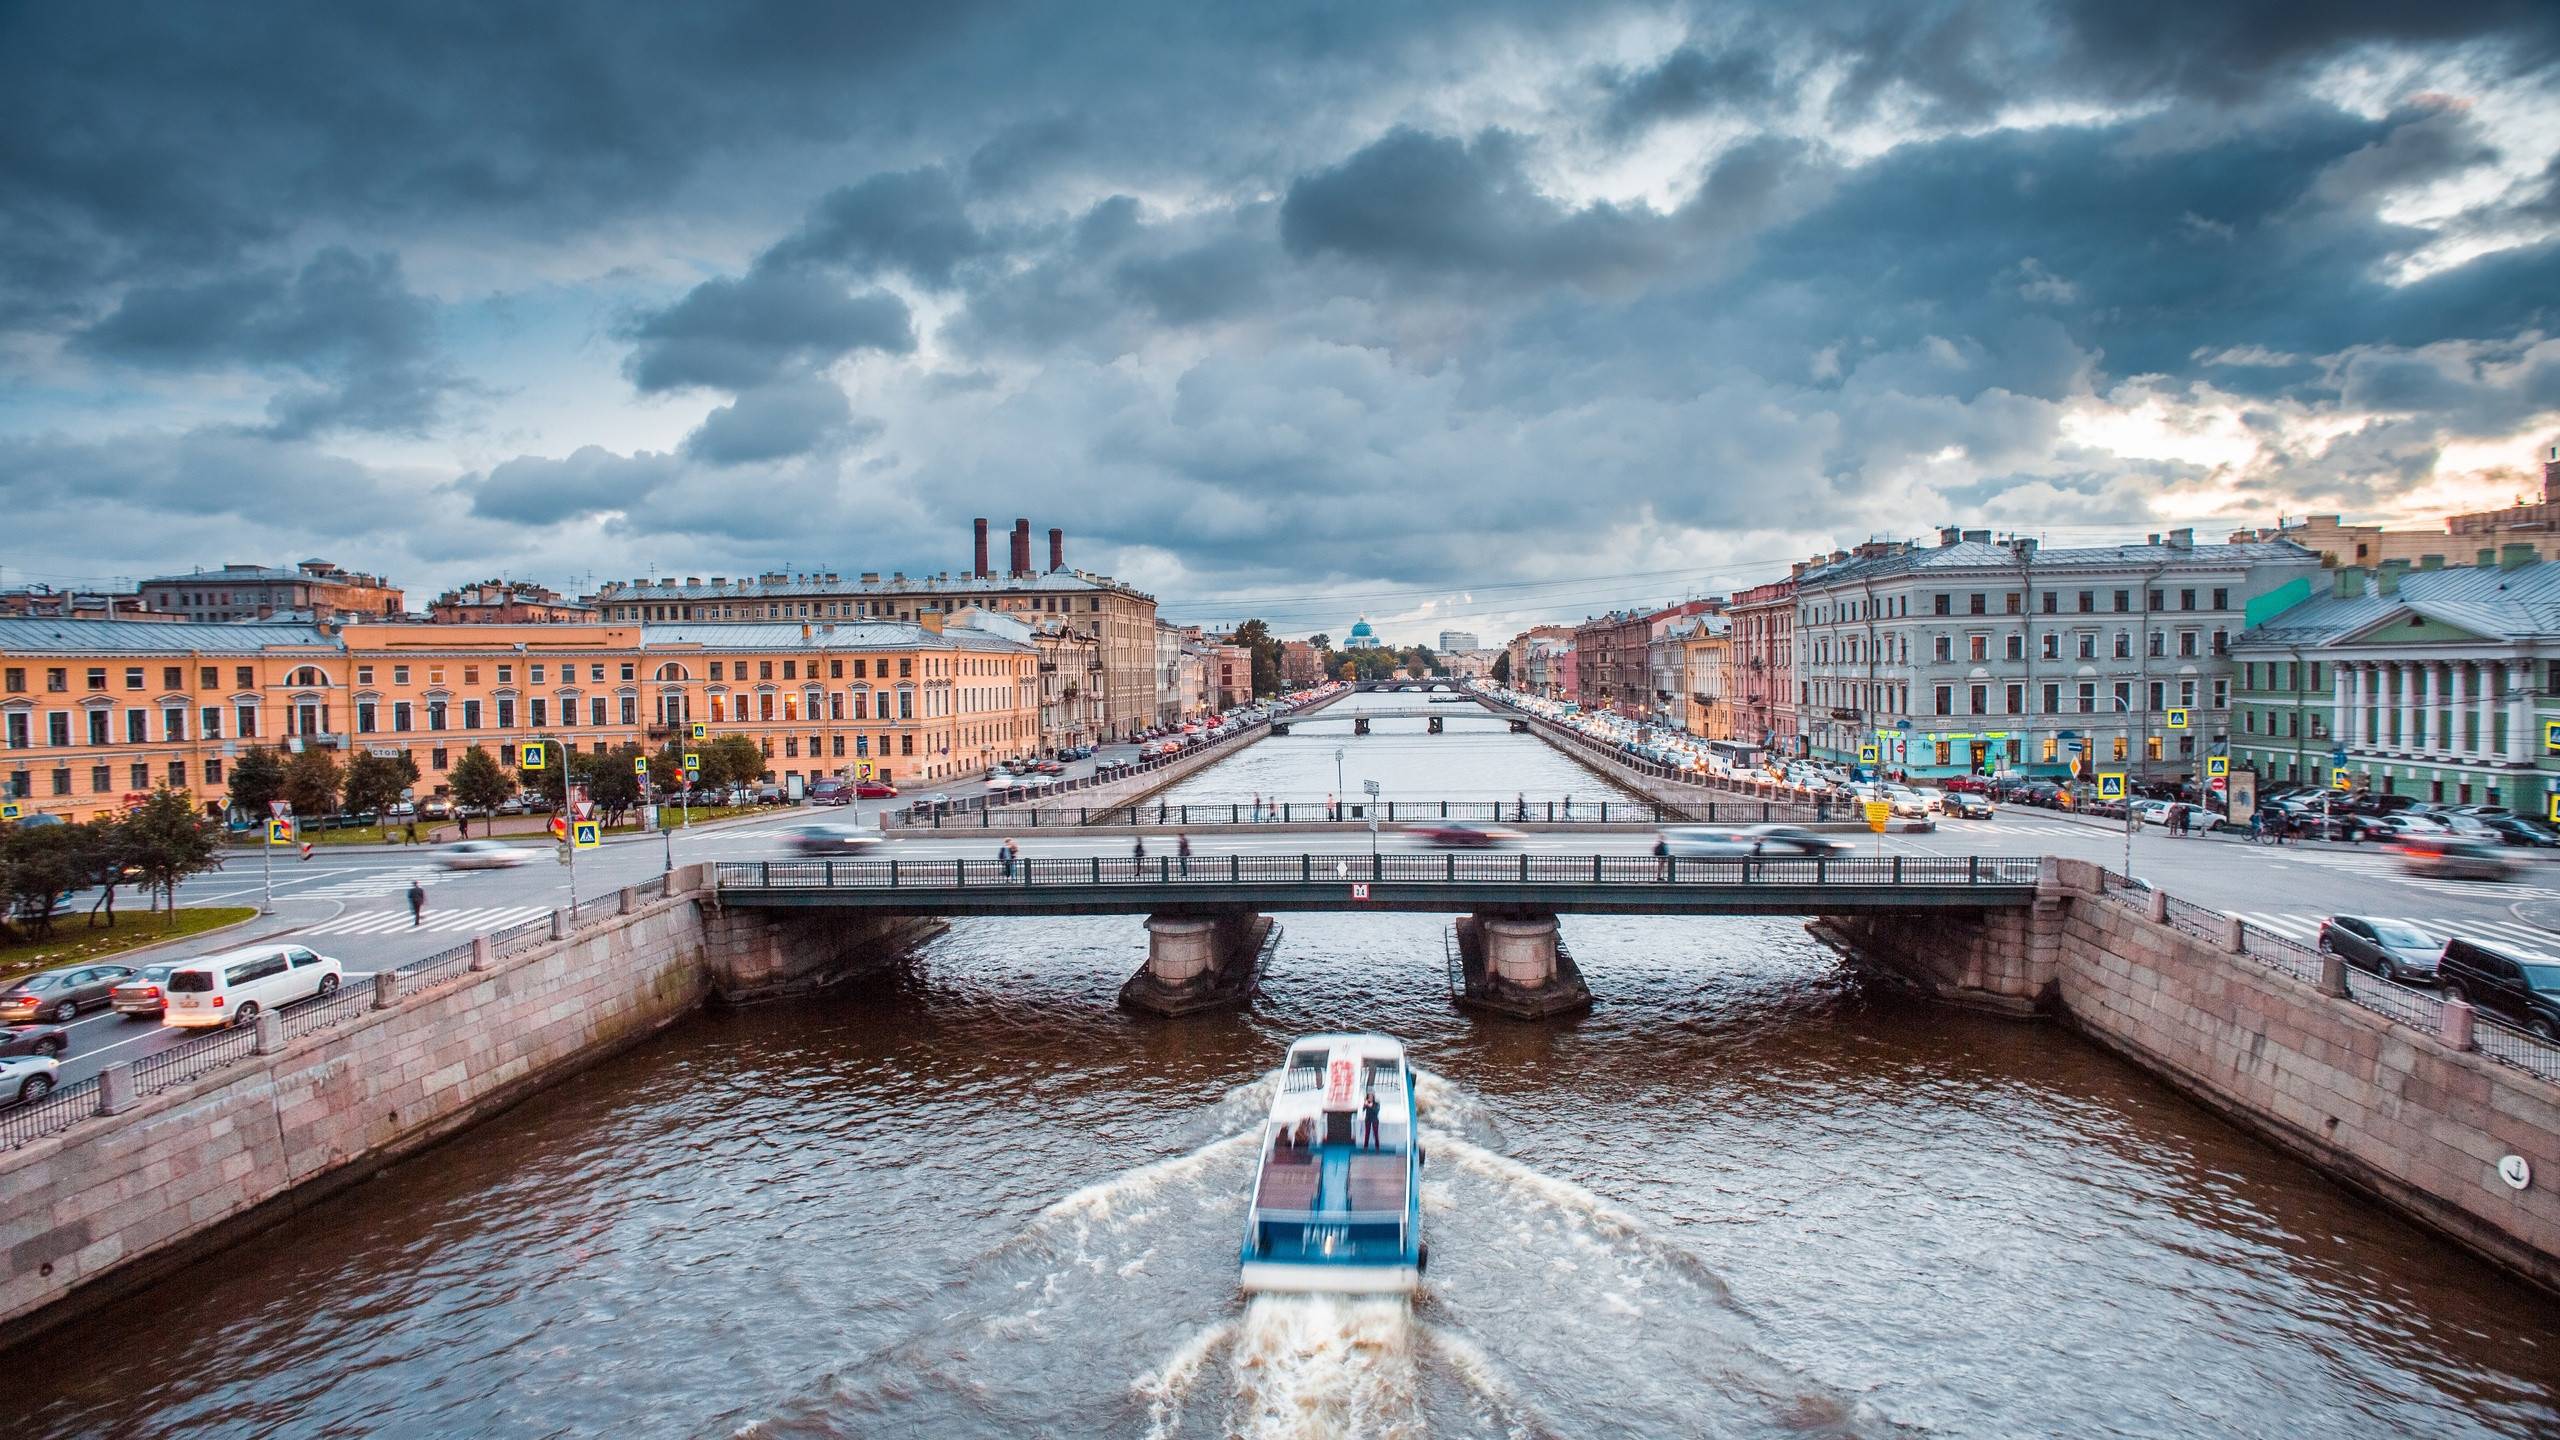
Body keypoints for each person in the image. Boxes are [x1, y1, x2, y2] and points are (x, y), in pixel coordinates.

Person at [1361, 1087, 1381, 1151]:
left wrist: (1371, 1106)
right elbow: (1363, 1110)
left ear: (1373, 1095)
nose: (1370, 1096)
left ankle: (1377, 1147)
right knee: (1367, 1133)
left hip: (1375, 1119)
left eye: (1371, 1095)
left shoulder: (1377, 1102)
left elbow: (1376, 1111)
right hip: (1368, 1119)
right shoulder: (1367, 1101)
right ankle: (1365, 1147)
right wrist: (1365, 1104)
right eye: (1369, 1095)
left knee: (1375, 1133)